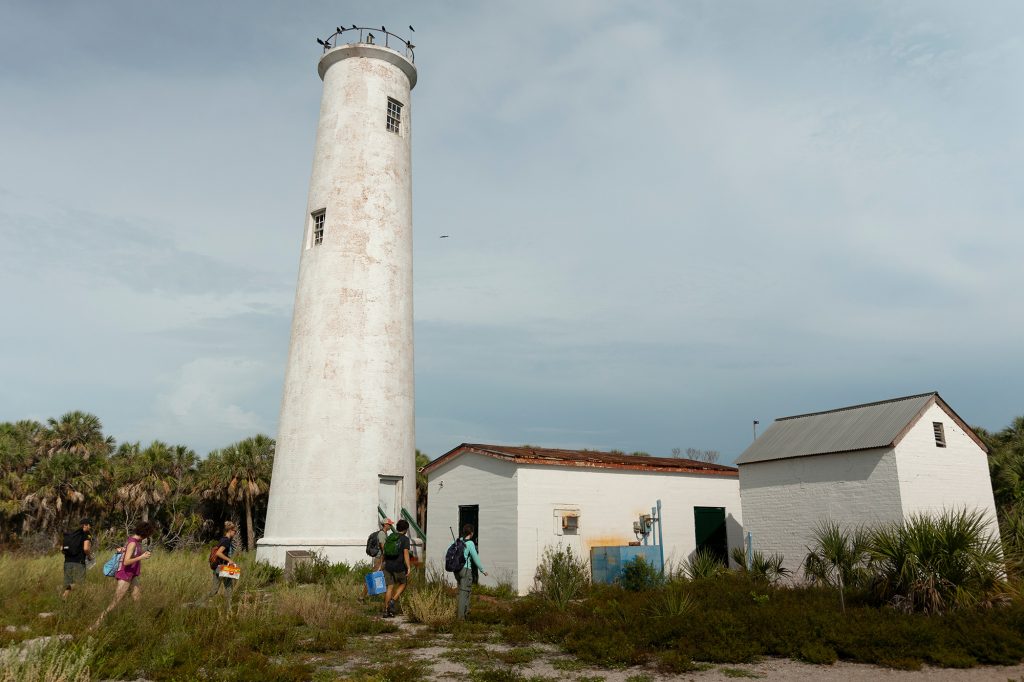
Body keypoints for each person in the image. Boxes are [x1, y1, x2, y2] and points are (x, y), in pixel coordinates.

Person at [92, 521, 154, 629]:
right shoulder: (133, 543)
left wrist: (124, 550)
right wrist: (142, 557)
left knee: (137, 599)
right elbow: (126, 562)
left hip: (132, 575)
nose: (147, 537)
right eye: (148, 534)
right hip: (125, 575)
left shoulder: (134, 542)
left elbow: (127, 553)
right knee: (114, 603)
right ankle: (95, 625)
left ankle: (139, 624)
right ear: (145, 533)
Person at [198, 521, 239, 610]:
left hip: (217, 567)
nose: (235, 533)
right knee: (229, 588)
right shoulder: (226, 541)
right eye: (234, 531)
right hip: (222, 568)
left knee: (214, 591)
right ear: (230, 530)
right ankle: (228, 609)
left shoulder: (223, 539)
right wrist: (229, 560)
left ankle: (198, 603)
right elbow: (218, 553)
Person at [457, 523, 488, 621]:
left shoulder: (458, 541)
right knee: (464, 593)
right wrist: (482, 570)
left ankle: (465, 613)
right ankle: (461, 618)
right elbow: (475, 558)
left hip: (457, 570)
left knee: (465, 591)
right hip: (466, 570)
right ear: (471, 533)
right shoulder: (470, 544)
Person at [381, 519, 411, 618]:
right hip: (398, 566)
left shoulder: (390, 536)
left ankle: (386, 610)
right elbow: (406, 554)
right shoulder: (405, 539)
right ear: (406, 529)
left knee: (389, 587)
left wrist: (383, 563)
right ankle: (393, 601)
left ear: (397, 528)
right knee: (403, 583)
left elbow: (385, 550)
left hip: (388, 565)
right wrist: (408, 567)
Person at [61, 517, 93, 599]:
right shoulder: (86, 534)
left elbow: (62, 549)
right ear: (85, 525)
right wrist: (89, 557)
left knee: (69, 582)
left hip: (67, 562)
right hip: (79, 562)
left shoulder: (70, 534)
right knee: (80, 583)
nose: (90, 527)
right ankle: (67, 596)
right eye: (90, 525)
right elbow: (86, 548)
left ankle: (64, 598)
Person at [363, 518, 393, 599]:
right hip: (380, 559)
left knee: (382, 577)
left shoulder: (384, 534)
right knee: (372, 577)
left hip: (381, 558)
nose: (391, 526)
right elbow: (383, 548)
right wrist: (384, 560)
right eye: (390, 524)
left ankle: (380, 596)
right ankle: (362, 597)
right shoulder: (382, 534)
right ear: (385, 525)